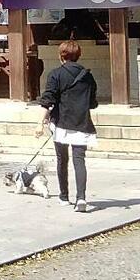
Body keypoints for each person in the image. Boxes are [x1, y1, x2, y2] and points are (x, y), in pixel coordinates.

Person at [37, 38, 99, 212]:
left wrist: (40, 123)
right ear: (78, 55)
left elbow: (48, 100)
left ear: (61, 55)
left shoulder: (56, 74)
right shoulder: (88, 76)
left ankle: (64, 196)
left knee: (62, 159)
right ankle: (81, 198)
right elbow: (92, 102)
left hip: (61, 122)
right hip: (82, 122)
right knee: (79, 160)